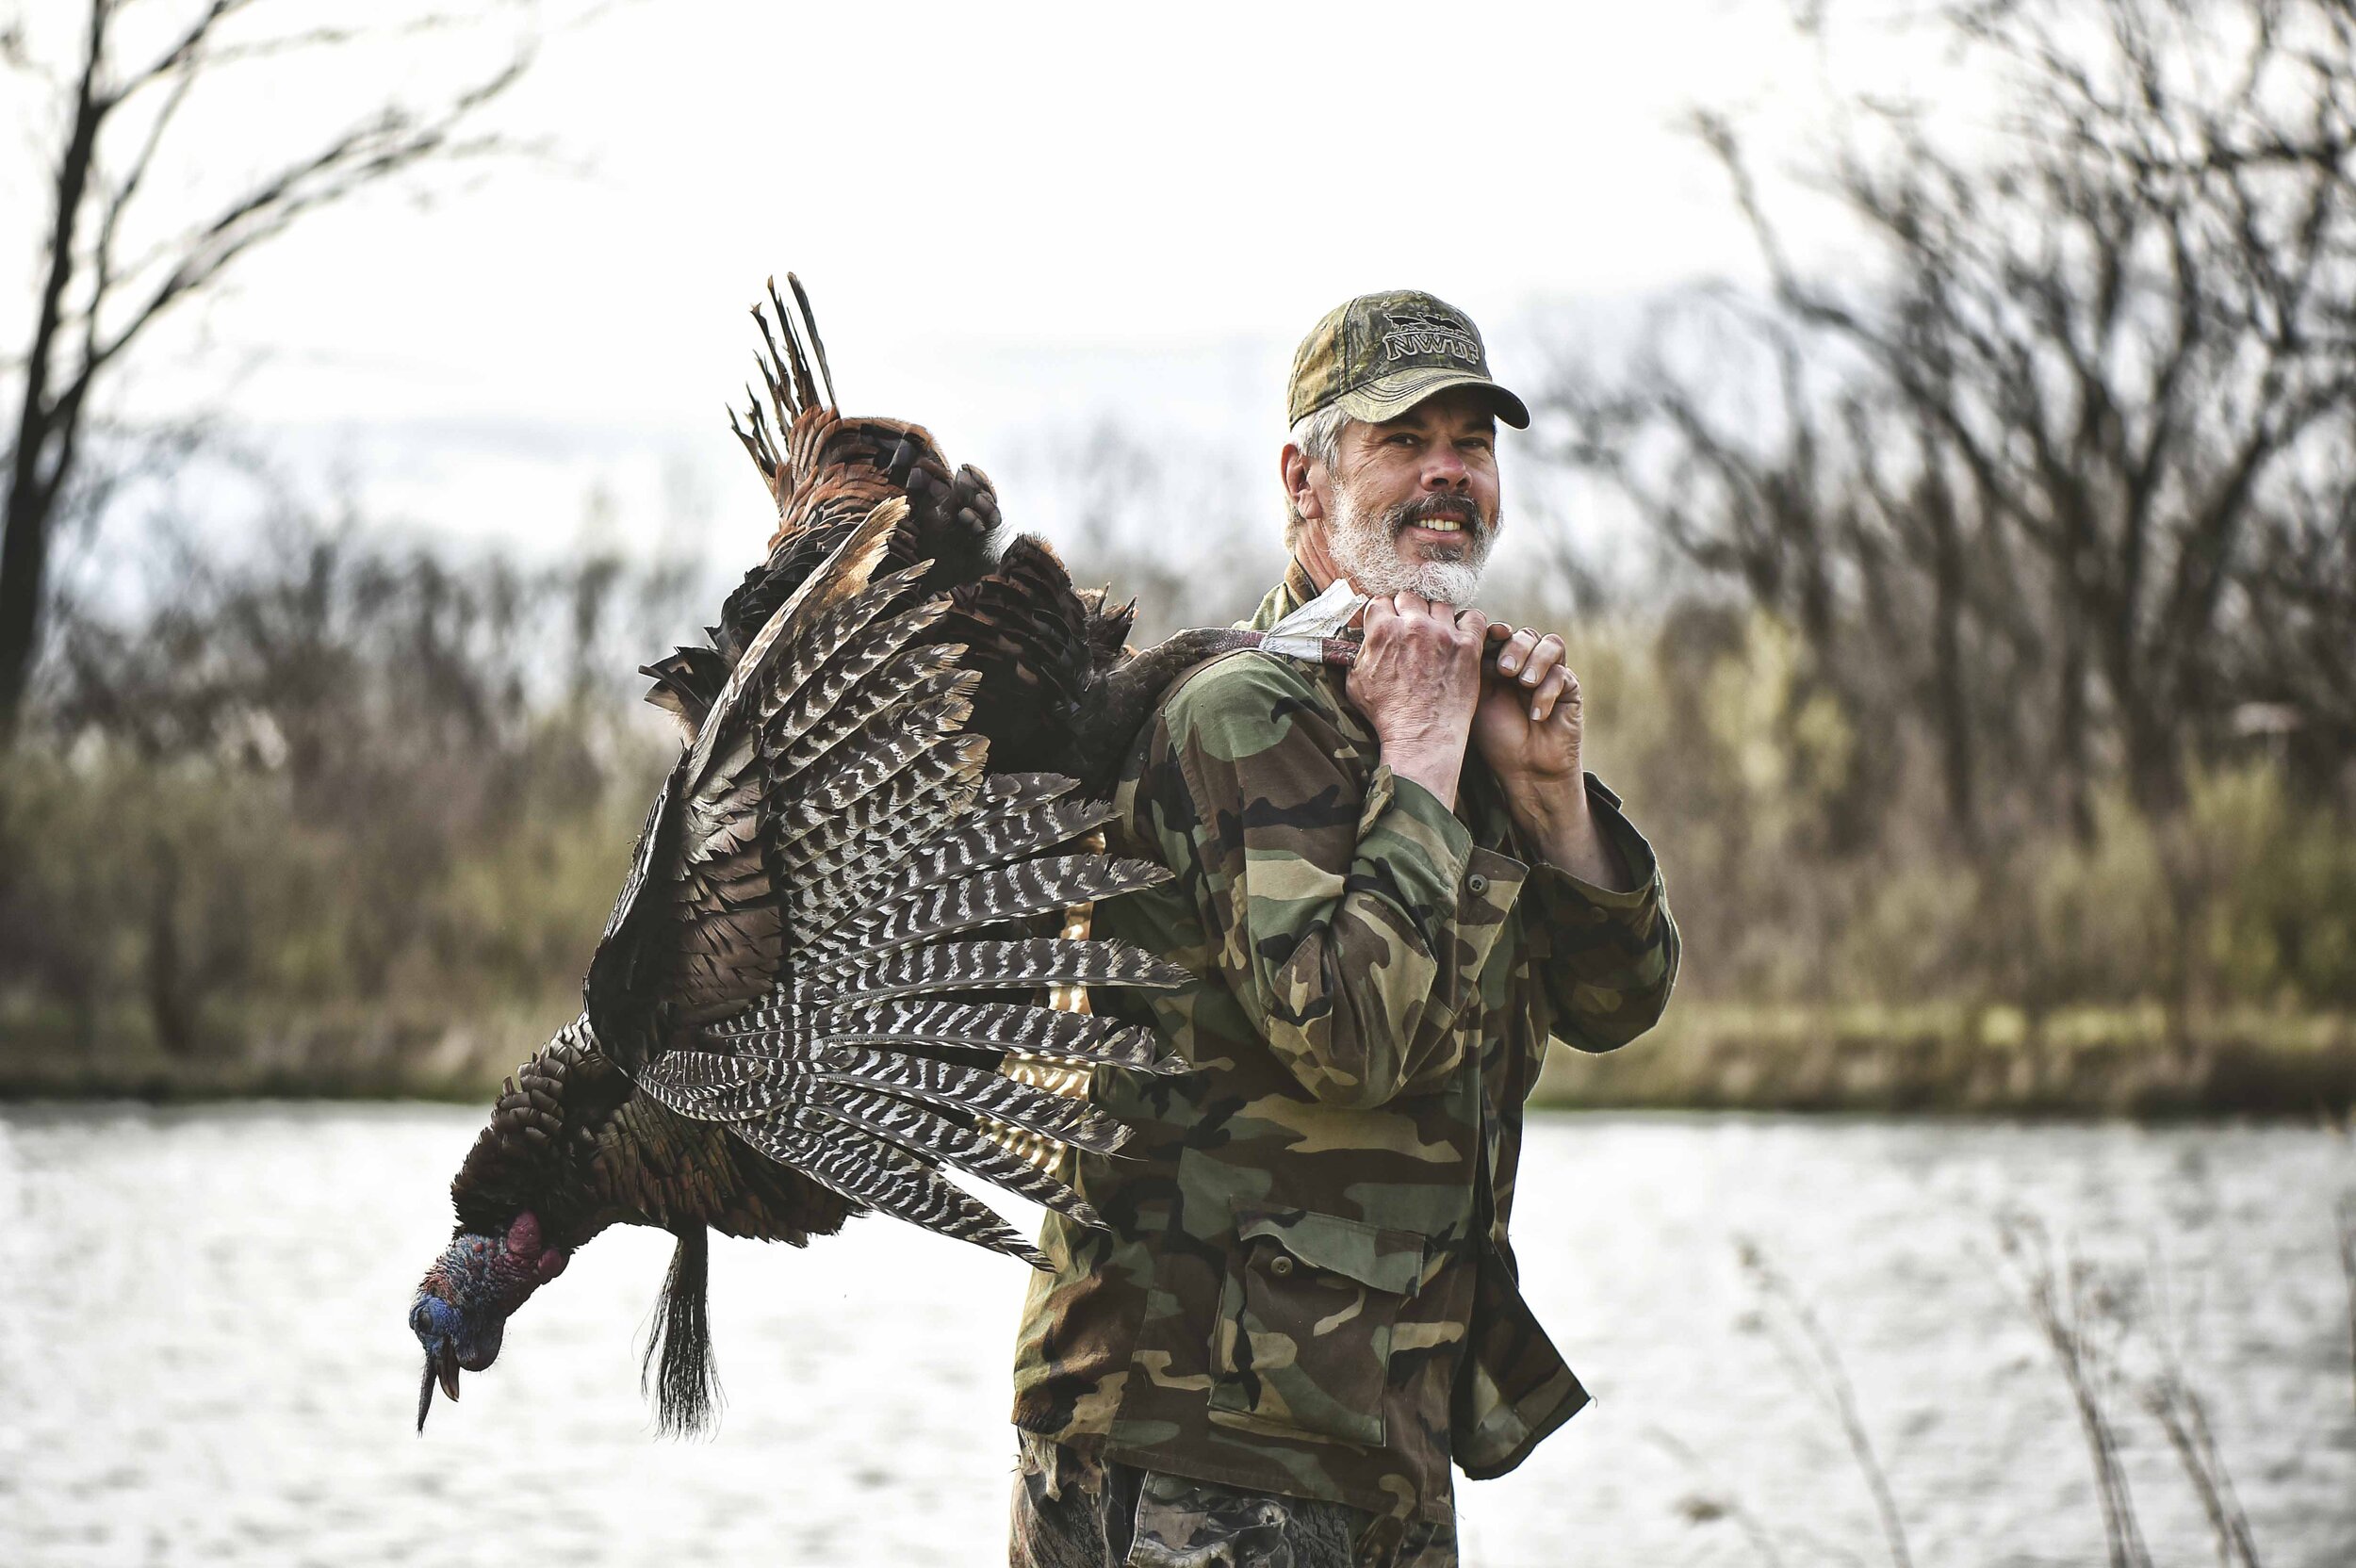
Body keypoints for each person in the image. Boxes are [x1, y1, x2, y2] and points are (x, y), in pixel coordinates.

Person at [1008, 290, 1679, 1568]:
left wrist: (1548, 806)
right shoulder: (1239, 714)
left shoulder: (1442, 706)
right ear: (1303, 482)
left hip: (1375, 1438)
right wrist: (1425, 756)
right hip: (1191, 1440)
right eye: (1401, 438)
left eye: (1471, 442)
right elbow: (1352, 1038)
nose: (1447, 473)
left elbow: (1617, 1006)